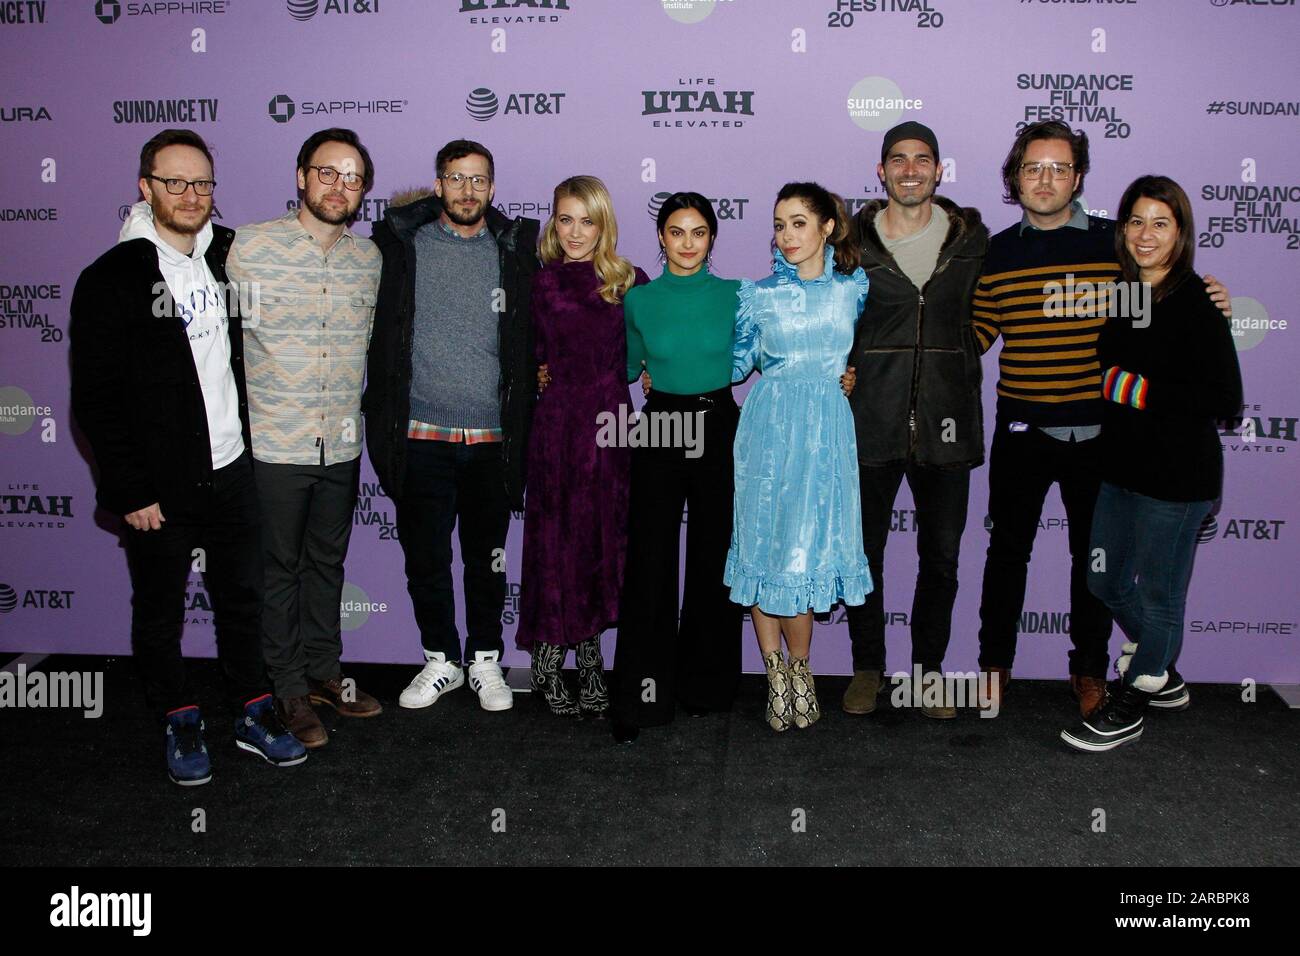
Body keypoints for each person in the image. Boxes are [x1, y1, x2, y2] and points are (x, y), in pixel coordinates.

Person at [69, 129, 307, 786]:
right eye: (174, 182)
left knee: (241, 601)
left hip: (234, 472)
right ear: (145, 187)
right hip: (159, 486)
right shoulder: (112, 277)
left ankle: (253, 713)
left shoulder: (231, 255)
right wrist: (129, 490)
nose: (190, 195)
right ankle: (178, 716)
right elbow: (96, 399)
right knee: (160, 610)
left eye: (202, 183)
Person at [972, 121, 1232, 717]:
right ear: (1015, 177)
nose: (1046, 179)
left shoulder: (1119, 245)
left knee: (1094, 562)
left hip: (1105, 436)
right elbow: (977, 335)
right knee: (1006, 555)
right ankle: (994, 666)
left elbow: (1169, 294)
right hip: (1022, 429)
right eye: (1033, 167)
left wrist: (1208, 296)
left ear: (1079, 177)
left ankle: (1088, 670)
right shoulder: (995, 252)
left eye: (1059, 168)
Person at [1062, 176, 1243, 751]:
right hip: (1120, 471)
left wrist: (1132, 389)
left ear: (1181, 233)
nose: (1145, 234)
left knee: (1162, 598)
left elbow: (1225, 401)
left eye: (1160, 223)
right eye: (1136, 221)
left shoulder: (1198, 302)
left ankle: (1134, 698)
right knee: (1103, 578)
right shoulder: (1125, 293)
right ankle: (1162, 668)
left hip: (1178, 480)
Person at [365, 140, 540, 713]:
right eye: (456, 179)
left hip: (491, 440)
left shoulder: (514, 251)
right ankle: (440, 658)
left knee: (487, 557)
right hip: (419, 437)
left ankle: (484, 658)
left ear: (493, 188)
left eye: (479, 180)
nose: (468, 191)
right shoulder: (401, 245)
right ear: (438, 184)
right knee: (426, 558)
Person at [226, 128, 383, 748]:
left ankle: (325, 675)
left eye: (353, 177)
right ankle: (287, 687)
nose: (339, 185)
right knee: (277, 570)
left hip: (341, 444)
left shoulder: (369, 259)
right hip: (273, 445)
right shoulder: (246, 247)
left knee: (327, 565)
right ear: (300, 176)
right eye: (327, 172)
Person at [844, 121, 989, 719]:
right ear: (880, 171)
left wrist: (959, 353)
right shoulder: (849, 242)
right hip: (869, 421)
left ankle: (928, 674)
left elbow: (1010, 298)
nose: (910, 169)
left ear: (939, 170)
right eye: (898, 159)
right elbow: (817, 308)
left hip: (946, 423)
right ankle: (868, 670)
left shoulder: (973, 240)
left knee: (943, 559)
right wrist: (844, 367)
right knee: (863, 555)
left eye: (922, 159)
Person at [727, 182, 872, 732]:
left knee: (804, 549)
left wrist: (850, 375)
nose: (787, 235)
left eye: (798, 223)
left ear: (827, 228)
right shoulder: (756, 295)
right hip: (767, 429)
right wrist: (661, 365)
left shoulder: (851, 290)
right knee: (764, 545)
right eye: (780, 224)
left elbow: (861, 355)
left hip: (827, 433)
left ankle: (803, 670)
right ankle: (774, 675)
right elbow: (735, 365)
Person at [602, 193, 743, 744]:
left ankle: (705, 689)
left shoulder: (739, 296)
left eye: (699, 232)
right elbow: (623, 366)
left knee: (713, 558)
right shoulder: (638, 300)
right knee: (651, 562)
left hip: (717, 423)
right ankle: (641, 698)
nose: (688, 243)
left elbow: (777, 354)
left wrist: (841, 373)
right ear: (661, 238)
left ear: (712, 239)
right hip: (660, 426)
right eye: (677, 232)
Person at [517, 176, 647, 716]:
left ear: (604, 224)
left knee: (600, 543)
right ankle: (549, 659)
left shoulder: (629, 280)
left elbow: (650, 351)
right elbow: (529, 356)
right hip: (557, 426)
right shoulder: (541, 283)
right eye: (564, 219)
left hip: (613, 427)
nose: (574, 231)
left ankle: (592, 659)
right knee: (553, 541)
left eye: (586, 220)